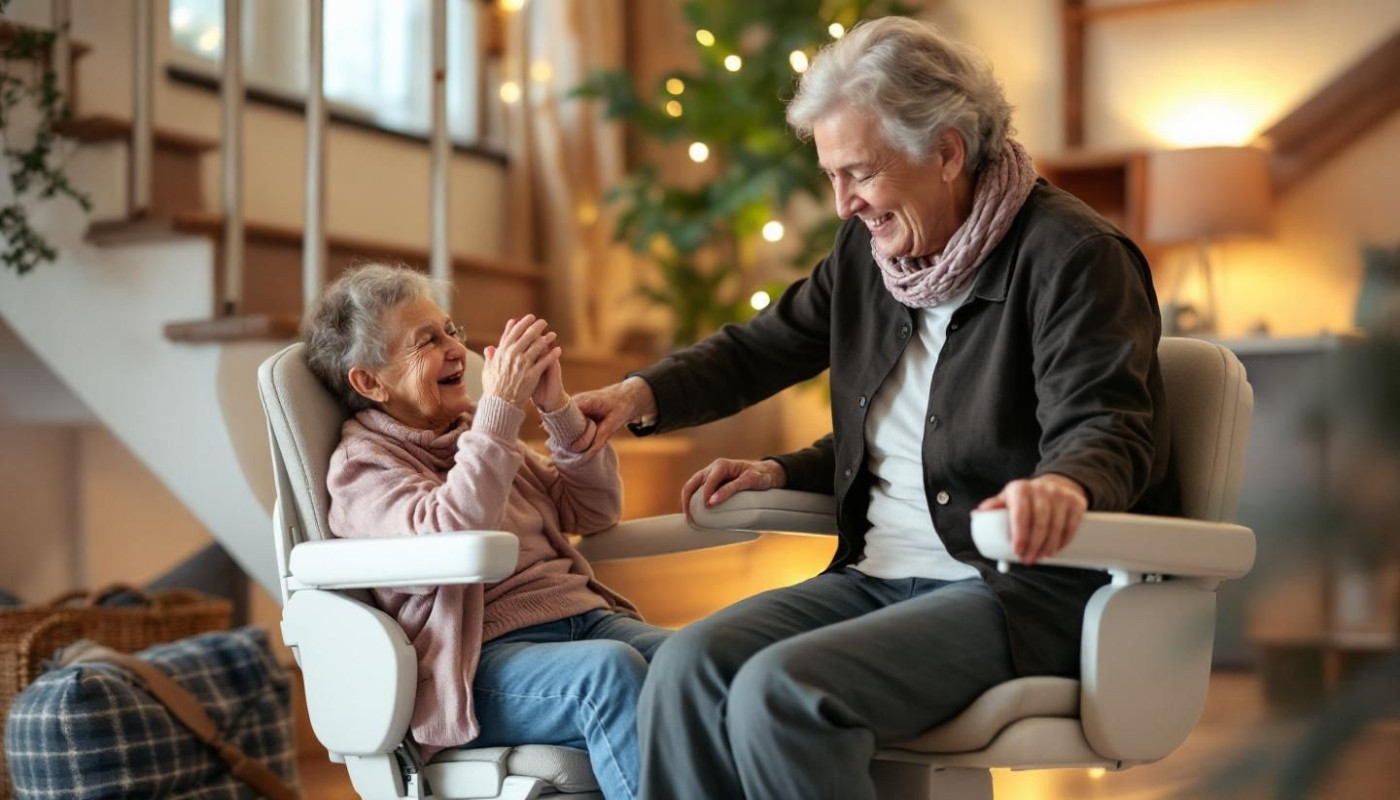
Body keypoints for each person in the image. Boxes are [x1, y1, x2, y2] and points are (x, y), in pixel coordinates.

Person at [571, 17, 1179, 800]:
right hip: (874, 577)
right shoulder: (872, 258)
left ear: (947, 151)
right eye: (831, 175)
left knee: (782, 692)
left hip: (1011, 591)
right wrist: (639, 396)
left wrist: (1065, 488)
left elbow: (1107, 426)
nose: (843, 202)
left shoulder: (1072, 257)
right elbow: (767, 349)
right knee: (684, 669)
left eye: (858, 172)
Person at [304, 263, 666, 800]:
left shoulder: (473, 431)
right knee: (609, 676)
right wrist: (499, 412)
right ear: (369, 381)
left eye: (451, 331)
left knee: (695, 662)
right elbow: (452, 534)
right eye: (426, 340)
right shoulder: (363, 468)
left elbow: (592, 511)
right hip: (478, 662)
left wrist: (557, 409)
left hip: (582, 620)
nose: (455, 349)